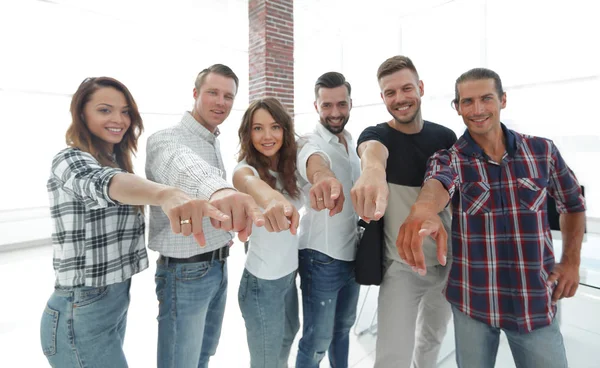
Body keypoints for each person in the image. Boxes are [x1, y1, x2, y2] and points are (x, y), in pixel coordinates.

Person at [397, 67, 586, 368]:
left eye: (486, 98)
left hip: (534, 300)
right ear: (457, 108)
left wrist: (572, 261)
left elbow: (573, 205)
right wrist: (423, 210)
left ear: (503, 100)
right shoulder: (450, 159)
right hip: (473, 303)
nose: (477, 109)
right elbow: (438, 183)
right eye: (467, 101)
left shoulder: (542, 151)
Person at [40, 77, 228, 368]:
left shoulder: (116, 163)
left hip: (110, 301)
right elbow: (101, 183)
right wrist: (165, 193)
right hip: (79, 309)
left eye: (125, 111)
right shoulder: (69, 160)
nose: (118, 119)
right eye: (105, 110)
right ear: (81, 114)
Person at [145, 64, 264, 368]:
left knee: (202, 357)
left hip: (216, 266)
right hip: (184, 273)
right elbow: (184, 166)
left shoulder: (212, 140)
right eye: (213, 92)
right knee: (180, 362)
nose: (221, 102)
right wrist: (220, 191)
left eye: (228, 96)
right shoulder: (166, 139)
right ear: (195, 93)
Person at [350, 55, 457, 367]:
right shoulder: (377, 135)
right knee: (392, 355)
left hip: (445, 263)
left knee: (432, 341)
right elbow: (371, 154)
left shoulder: (445, 137)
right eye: (390, 93)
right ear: (382, 97)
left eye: (406, 89)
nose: (399, 99)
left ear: (421, 88)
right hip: (401, 268)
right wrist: (371, 172)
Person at [295, 72, 360, 368]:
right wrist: (322, 176)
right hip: (320, 258)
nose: (335, 113)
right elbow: (313, 160)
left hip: (351, 254)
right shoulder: (309, 141)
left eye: (341, 104)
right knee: (316, 340)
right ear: (316, 106)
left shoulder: (350, 141)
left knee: (342, 331)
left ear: (350, 103)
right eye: (327, 106)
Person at [233, 97, 303, 367]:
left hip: (287, 275)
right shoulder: (245, 169)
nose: (267, 136)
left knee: (287, 337)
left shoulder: (289, 169)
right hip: (262, 283)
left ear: (284, 130)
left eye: (274, 127)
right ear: (248, 134)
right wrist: (273, 199)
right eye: (257, 128)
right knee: (266, 361)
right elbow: (247, 182)